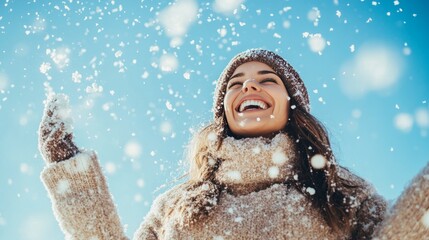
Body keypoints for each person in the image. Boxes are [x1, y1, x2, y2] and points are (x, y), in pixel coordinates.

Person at [38, 49, 429, 239]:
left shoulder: (339, 192)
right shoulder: (177, 205)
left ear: (293, 109)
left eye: (267, 79)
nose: (249, 85)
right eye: (236, 83)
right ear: (224, 110)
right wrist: (71, 173)